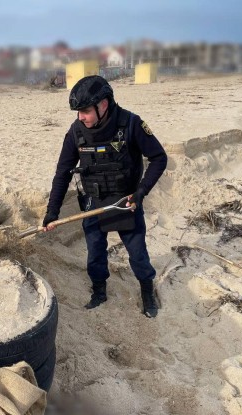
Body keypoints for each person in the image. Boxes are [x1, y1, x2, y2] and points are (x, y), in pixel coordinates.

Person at [42, 75, 167, 318]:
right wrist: (52, 212)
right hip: (93, 203)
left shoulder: (131, 123)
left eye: (85, 111)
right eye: (78, 112)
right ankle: (99, 292)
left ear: (103, 104)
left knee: (138, 254)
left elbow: (159, 158)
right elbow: (62, 174)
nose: (81, 117)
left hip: (126, 202)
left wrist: (141, 192)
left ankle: (146, 291)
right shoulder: (76, 131)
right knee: (95, 254)